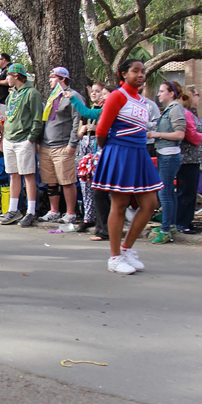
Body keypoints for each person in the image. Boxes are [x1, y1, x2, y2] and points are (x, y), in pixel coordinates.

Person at [91, 59, 162, 274]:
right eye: (135, 71)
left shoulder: (142, 100)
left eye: (142, 71)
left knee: (150, 203)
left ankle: (126, 249)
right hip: (120, 151)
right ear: (123, 74)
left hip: (140, 154)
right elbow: (101, 130)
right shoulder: (117, 96)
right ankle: (114, 257)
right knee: (119, 205)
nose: (140, 75)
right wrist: (113, 151)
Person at [63, 83, 117, 240]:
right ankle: (102, 228)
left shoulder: (113, 111)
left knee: (105, 194)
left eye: (105, 94)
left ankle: (106, 229)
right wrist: (72, 99)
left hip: (110, 155)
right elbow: (86, 112)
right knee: (98, 193)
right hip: (101, 154)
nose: (101, 97)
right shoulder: (104, 110)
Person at [0, 63, 43, 227]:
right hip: (10, 139)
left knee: (28, 175)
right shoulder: (11, 95)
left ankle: (31, 211)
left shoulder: (32, 93)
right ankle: (13, 209)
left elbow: (38, 119)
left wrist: (31, 139)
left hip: (24, 140)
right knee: (13, 175)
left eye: (8, 75)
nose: (6, 79)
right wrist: (3, 138)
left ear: (16, 76)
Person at [38, 67, 82, 224]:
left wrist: (72, 144)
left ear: (62, 79)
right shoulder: (52, 97)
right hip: (46, 145)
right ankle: (54, 210)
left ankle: (70, 212)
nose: (49, 80)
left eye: (53, 77)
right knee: (50, 180)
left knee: (66, 180)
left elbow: (77, 120)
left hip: (63, 145)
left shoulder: (73, 96)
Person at [148, 81, 189, 244]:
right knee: (169, 192)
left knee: (164, 193)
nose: (159, 94)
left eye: (162, 91)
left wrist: (156, 134)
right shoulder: (170, 110)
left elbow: (180, 134)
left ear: (171, 93)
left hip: (169, 155)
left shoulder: (176, 109)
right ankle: (169, 224)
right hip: (166, 154)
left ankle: (165, 229)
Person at [175, 86, 202, 234]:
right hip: (187, 158)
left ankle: (188, 221)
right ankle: (182, 223)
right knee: (186, 191)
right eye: (196, 95)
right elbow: (192, 136)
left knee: (191, 191)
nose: (198, 98)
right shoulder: (186, 113)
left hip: (194, 158)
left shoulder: (192, 113)